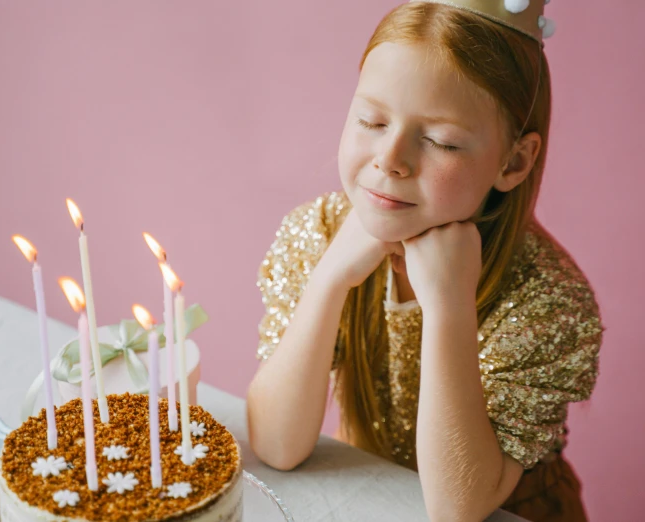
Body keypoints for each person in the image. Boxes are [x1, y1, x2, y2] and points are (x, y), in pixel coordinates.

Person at [247, 1, 605, 520]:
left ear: (513, 161)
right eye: (371, 119)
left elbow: (458, 508)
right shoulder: (319, 231)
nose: (389, 159)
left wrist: (449, 306)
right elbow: (278, 447)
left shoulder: (550, 300)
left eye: (440, 141)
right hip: (370, 498)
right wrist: (328, 280)